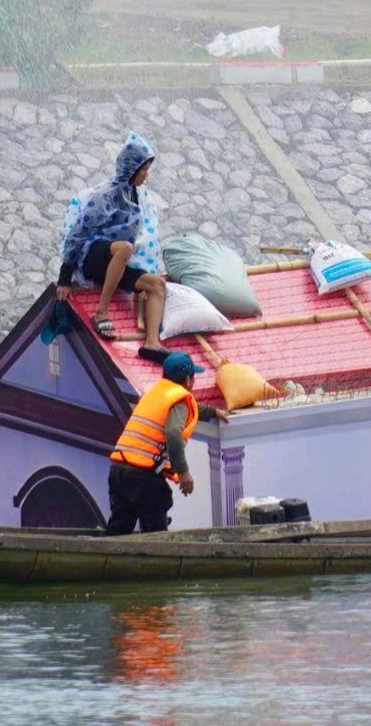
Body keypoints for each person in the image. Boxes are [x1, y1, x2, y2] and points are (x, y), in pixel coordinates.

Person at [55, 131, 171, 363]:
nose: (145, 176)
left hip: (117, 262)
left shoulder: (135, 194)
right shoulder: (105, 195)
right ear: (131, 170)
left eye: (147, 171)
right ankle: (102, 312)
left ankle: (152, 343)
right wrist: (65, 276)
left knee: (157, 284)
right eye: (143, 171)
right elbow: (79, 233)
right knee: (124, 248)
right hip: (93, 257)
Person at [105, 352, 229, 535]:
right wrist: (183, 472)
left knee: (118, 531)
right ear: (188, 379)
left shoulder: (156, 393)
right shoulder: (179, 400)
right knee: (156, 534)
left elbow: (191, 408)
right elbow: (173, 432)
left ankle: (106, 562)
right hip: (142, 477)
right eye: (193, 378)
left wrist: (214, 412)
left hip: (118, 470)